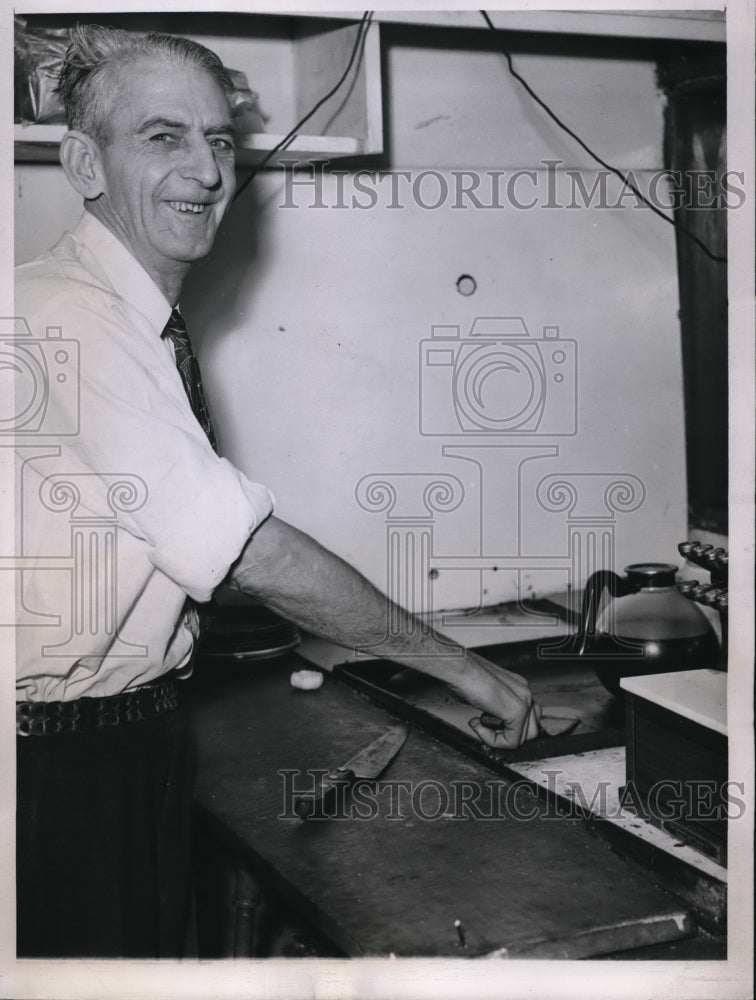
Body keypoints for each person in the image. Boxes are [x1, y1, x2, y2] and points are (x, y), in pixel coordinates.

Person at [14, 24, 542, 958]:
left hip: (115, 740)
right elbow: (246, 551)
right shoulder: (73, 319)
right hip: (61, 766)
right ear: (85, 164)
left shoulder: (112, 313)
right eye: (163, 137)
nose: (207, 171)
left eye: (220, 140)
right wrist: (466, 669)